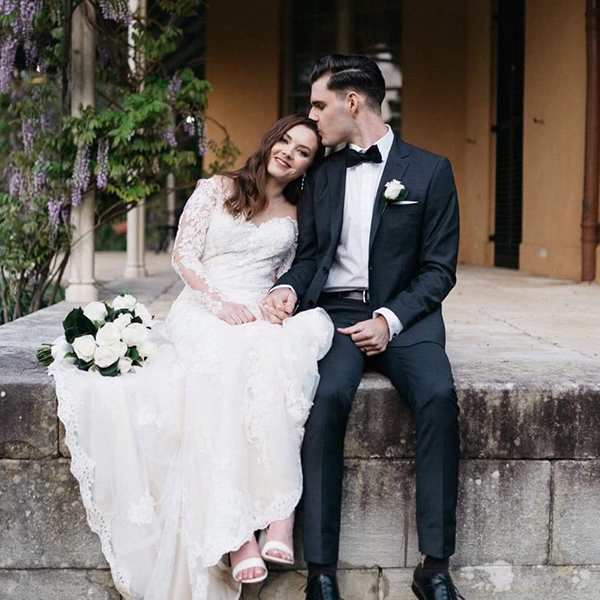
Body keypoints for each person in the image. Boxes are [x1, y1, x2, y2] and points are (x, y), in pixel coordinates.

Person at [48, 114, 334, 600]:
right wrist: (220, 303)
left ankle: (279, 524)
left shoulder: (297, 215)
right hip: (205, 306)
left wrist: (274, 302)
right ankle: (237, 536)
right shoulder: (217, 187)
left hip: (256, 309)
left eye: (303, 150)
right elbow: (185, 256)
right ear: (270, 140)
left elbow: (288, 274)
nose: (289, 152)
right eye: (285, 140)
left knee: (277, 358)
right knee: (218, 372)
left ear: (308, 164)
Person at [261, 55, 463, 600]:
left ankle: (435, 567)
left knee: (440, 396)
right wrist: (286, 289)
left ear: (352, 102)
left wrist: (390, 319)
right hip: (334, 314)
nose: (313, 117)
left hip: (407, 315)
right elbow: (309, 257)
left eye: (319, 105)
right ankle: (320, 571)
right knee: (324, 401)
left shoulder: (431, 170)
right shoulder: (321, 175)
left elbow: (439, 270)